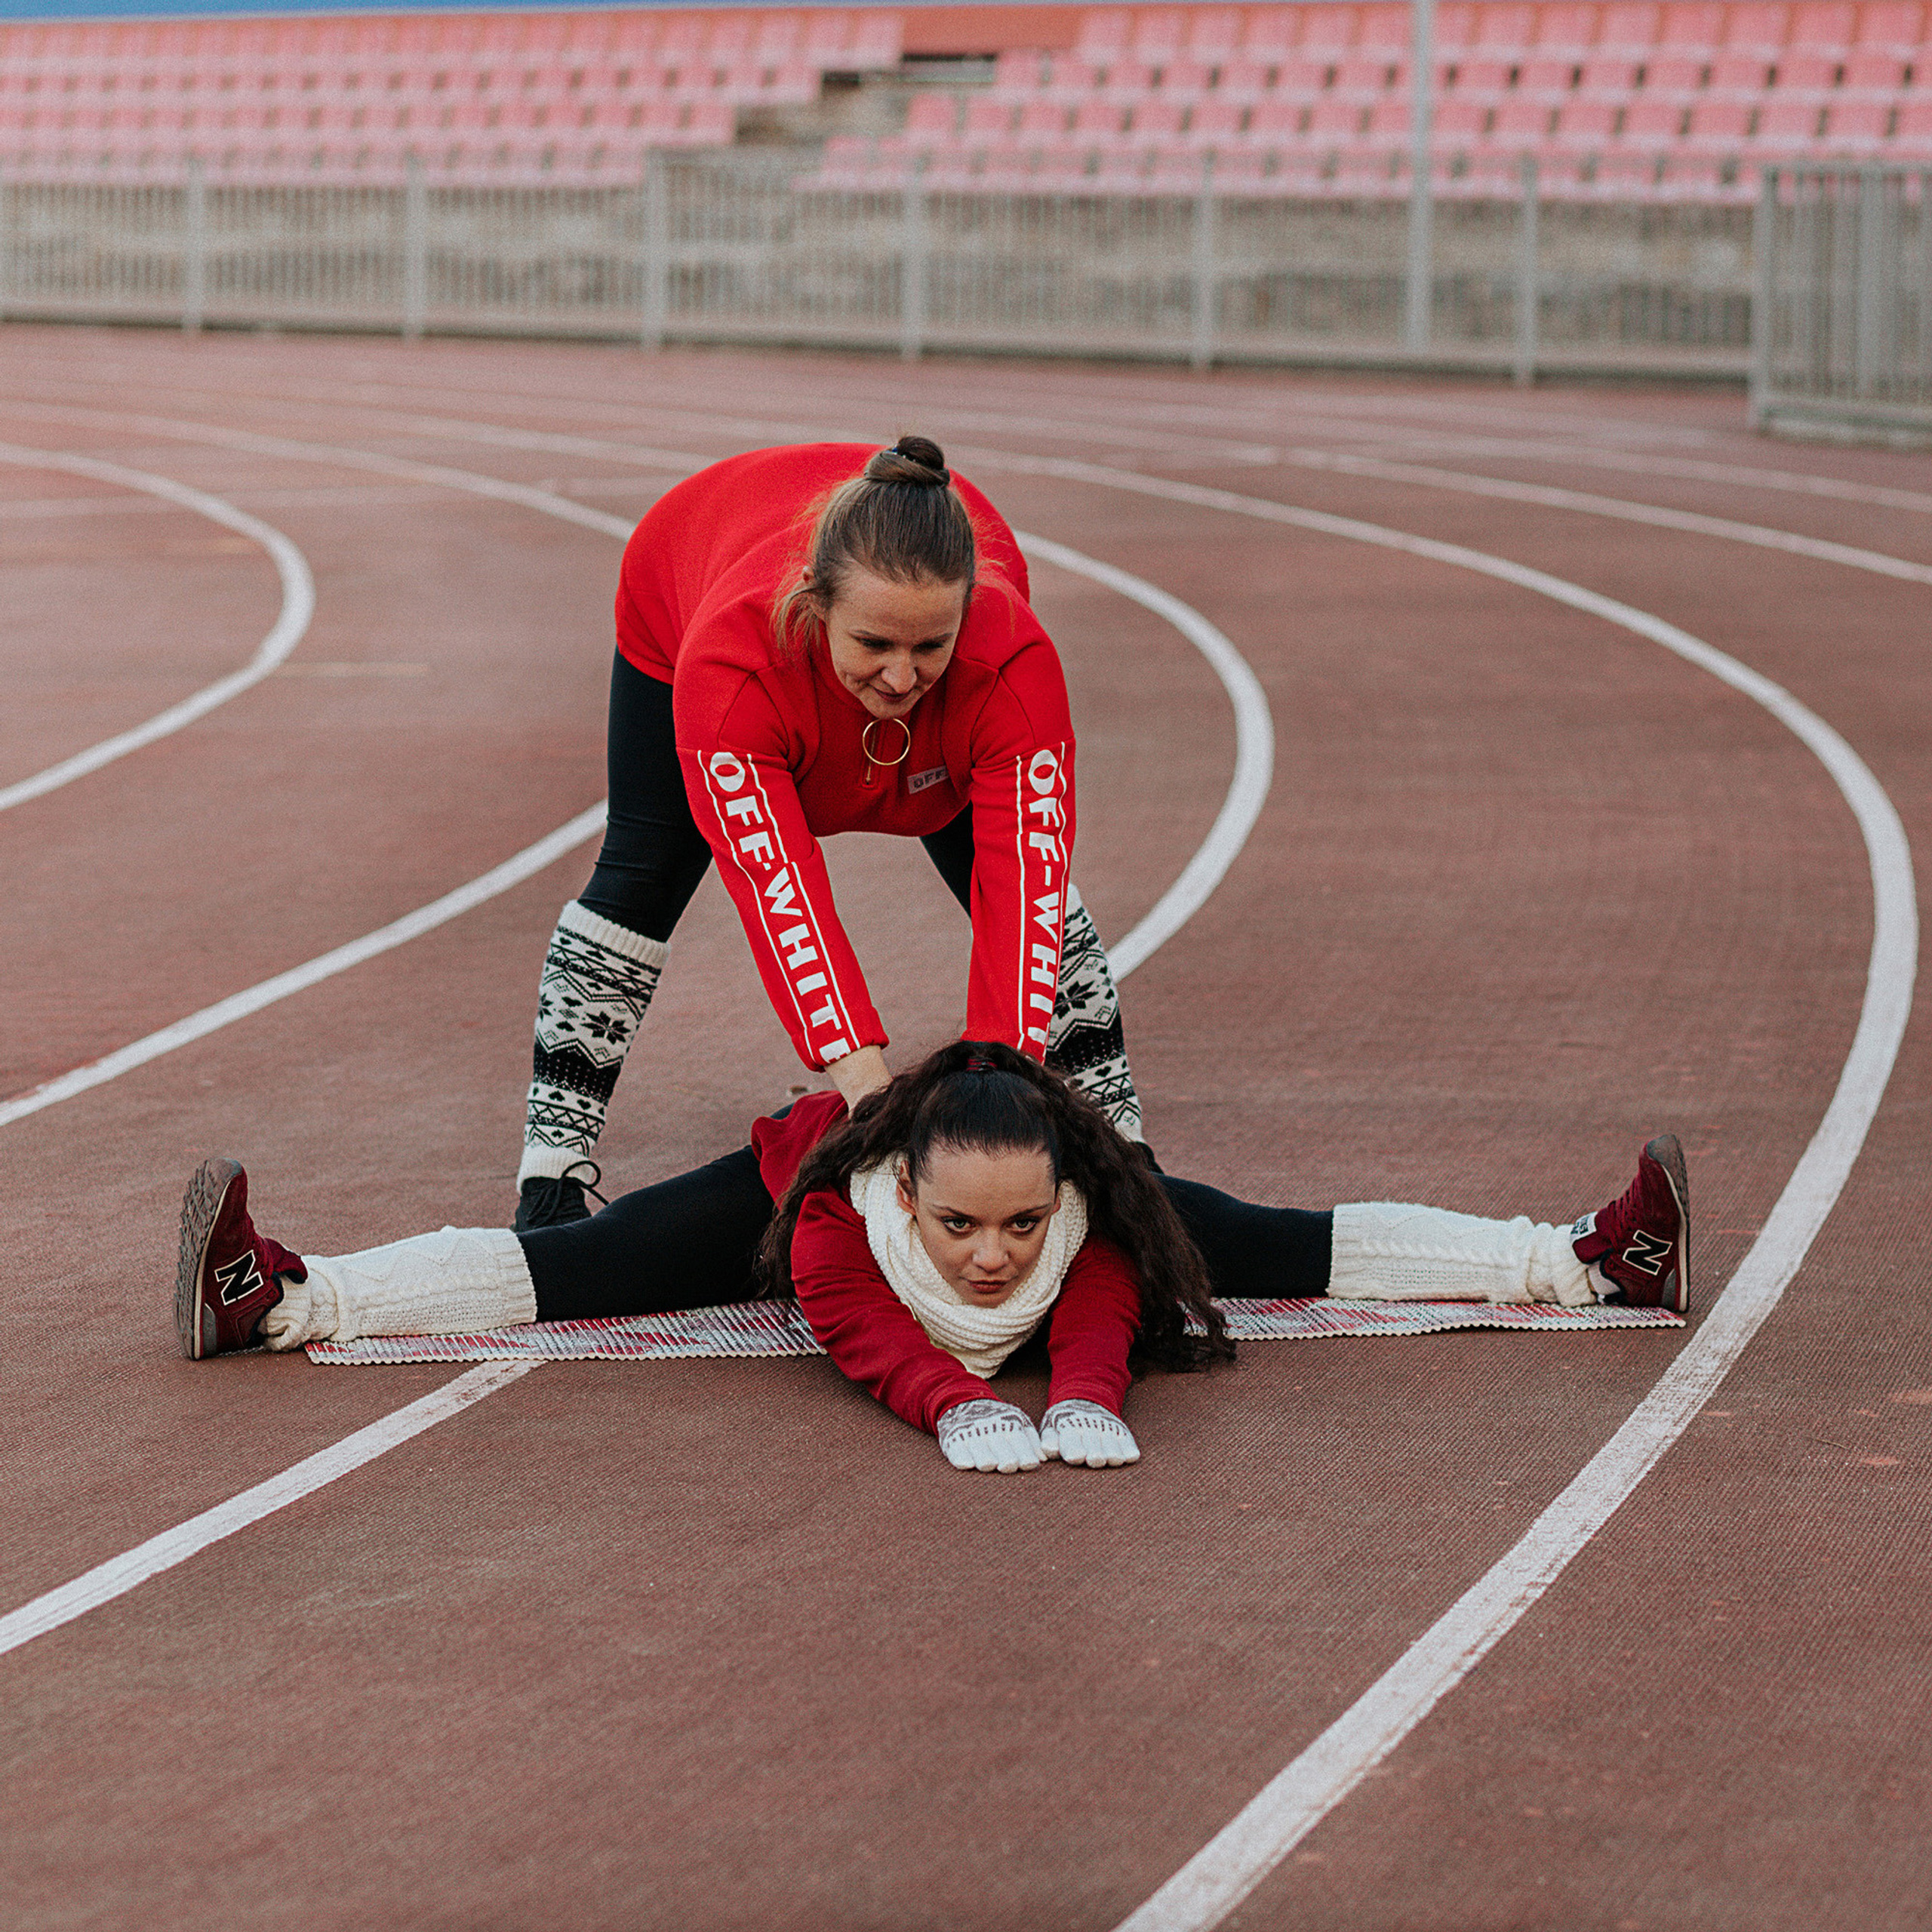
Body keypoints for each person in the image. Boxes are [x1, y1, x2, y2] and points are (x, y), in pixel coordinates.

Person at [175, 1046, 1691, 1475]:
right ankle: (283, 1295)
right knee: (584, 1261)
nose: (987, 1257)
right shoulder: (840, 1211)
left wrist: (1087, 1389)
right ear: (909, 1189)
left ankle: (1583, 1259)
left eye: (1017, 1227)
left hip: (1082, 1157)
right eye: (958, 1225)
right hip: (783, 1184)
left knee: (1281, 1241)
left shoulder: (1087, 1205)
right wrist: (948, 1399)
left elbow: (1098, 1297)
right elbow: (845, 1320)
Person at [513, 435, 1147, 1233]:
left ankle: (1129, 1149)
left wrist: (998, 1093)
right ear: (816, 606)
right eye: (873, 644)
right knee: (644, 867)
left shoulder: (1008, 656)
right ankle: (549, 1170)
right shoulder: (733, 663)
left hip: (939, 731)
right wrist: (875, 1106)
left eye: (930, 646)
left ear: (967, 613)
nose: (900, 677)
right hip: (693, 580)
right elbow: (782, 897)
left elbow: (1026, 892)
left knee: (1035, 898)